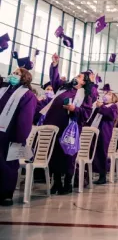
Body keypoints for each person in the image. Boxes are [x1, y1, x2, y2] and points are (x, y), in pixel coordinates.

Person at [44, 53, 93, 195]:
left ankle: (67, 183)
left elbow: (86, 113)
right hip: (55, 125)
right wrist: (54, 65)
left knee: (67, 156)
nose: (76, 77)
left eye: (79, 77)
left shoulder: (85, 95)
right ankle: (56, 182)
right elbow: (54, 79)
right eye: (77, 75)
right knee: (54, 154)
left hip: (70, 128)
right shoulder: (63, 88)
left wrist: (74, 109)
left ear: (83, 82)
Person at [0, 67, 37, 206]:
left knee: (8, 165)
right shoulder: (3, 90)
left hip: (11, 135)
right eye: (13, 73)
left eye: (17, 73)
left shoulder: (27, 95)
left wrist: (20, 138)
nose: (13, 75)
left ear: (24, 78)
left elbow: (25, 119)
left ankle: (6, 194)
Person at [91, 92, 118, 185]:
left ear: (113, 98)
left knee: (102, 152)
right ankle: (92, 173)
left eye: (109, 94)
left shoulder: (113, 106)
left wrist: (101, 107)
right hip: (95, 129)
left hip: (105, 131)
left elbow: (110, 115)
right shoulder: (101, 105)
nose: (107, 95)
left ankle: (102, 176)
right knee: (94, 151)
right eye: (106, 93)